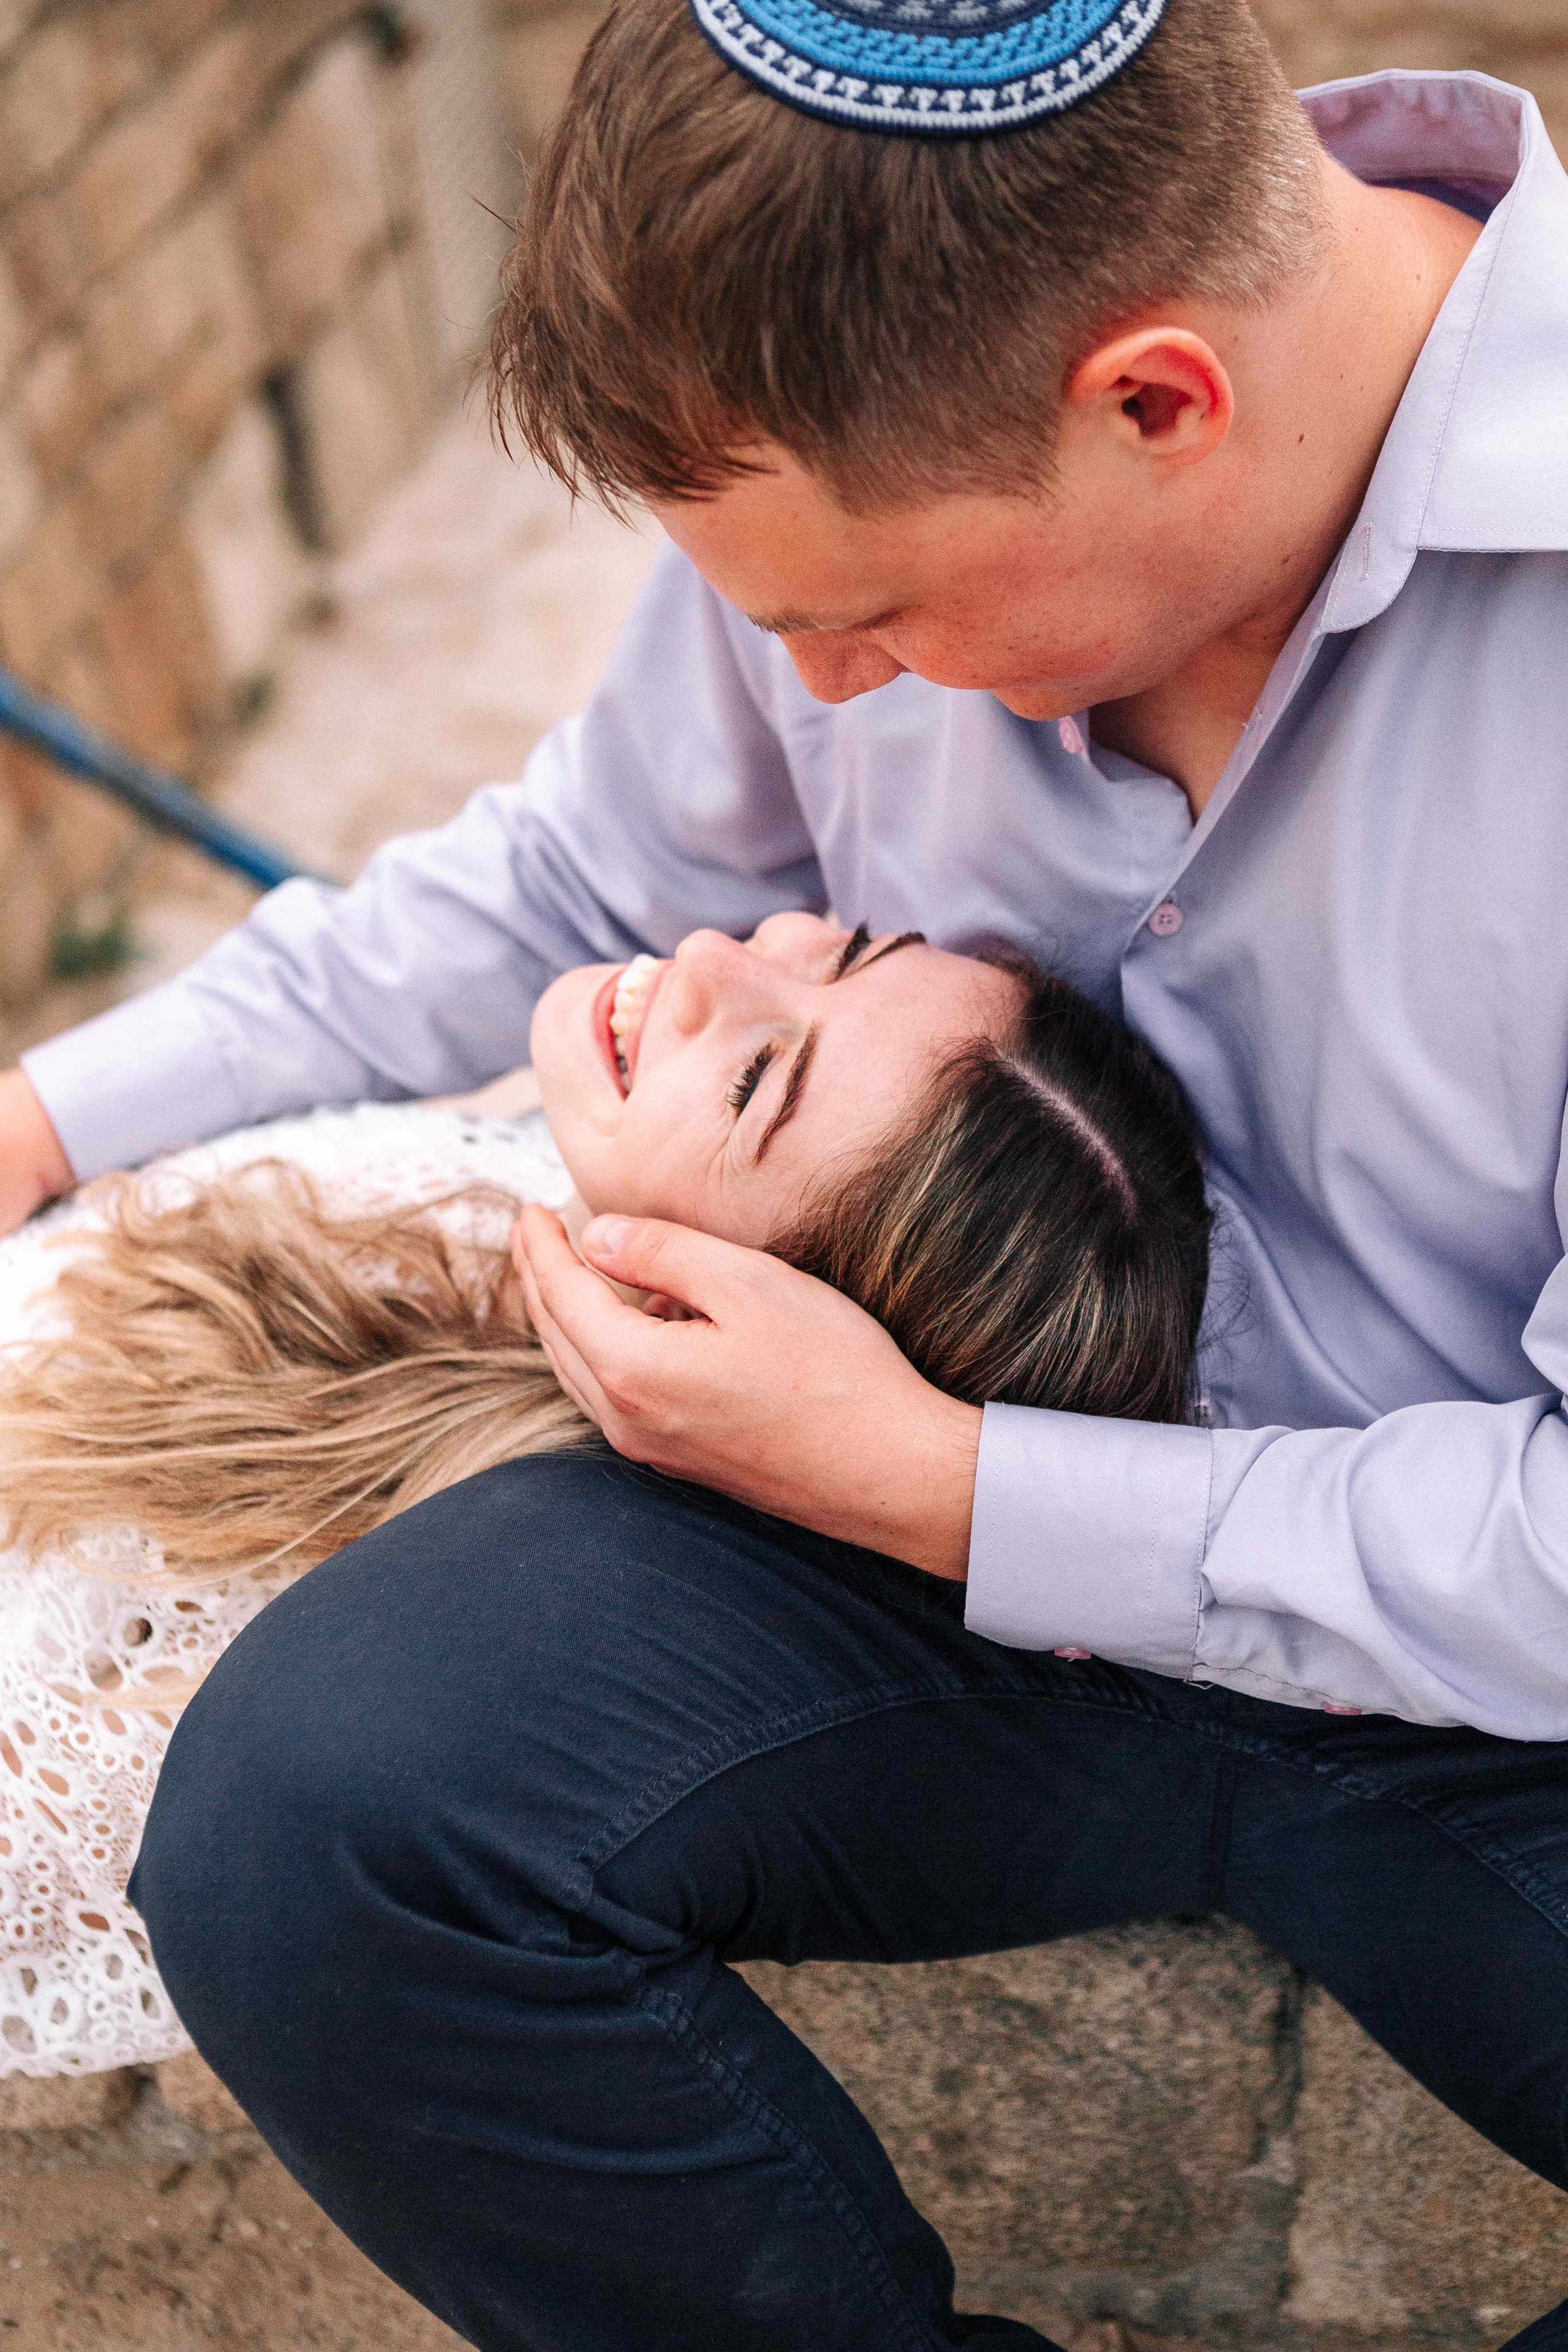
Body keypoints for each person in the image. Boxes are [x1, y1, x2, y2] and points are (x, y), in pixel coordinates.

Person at [0, 0, 1564, 2339]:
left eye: (876, 620)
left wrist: (956, 1478)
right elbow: (570, 880)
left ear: (1157, 398)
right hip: (886, 1578)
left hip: (1483, 1673)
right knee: (315, 1820)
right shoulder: (867, 458)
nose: (829, 695)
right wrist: (43, 1115)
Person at [0, 919, 1208, 2073]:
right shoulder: (513, 1193)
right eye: (844, 951)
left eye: (751, 1085)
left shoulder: (375, 1594)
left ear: (725, 1322)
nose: (707, 959)